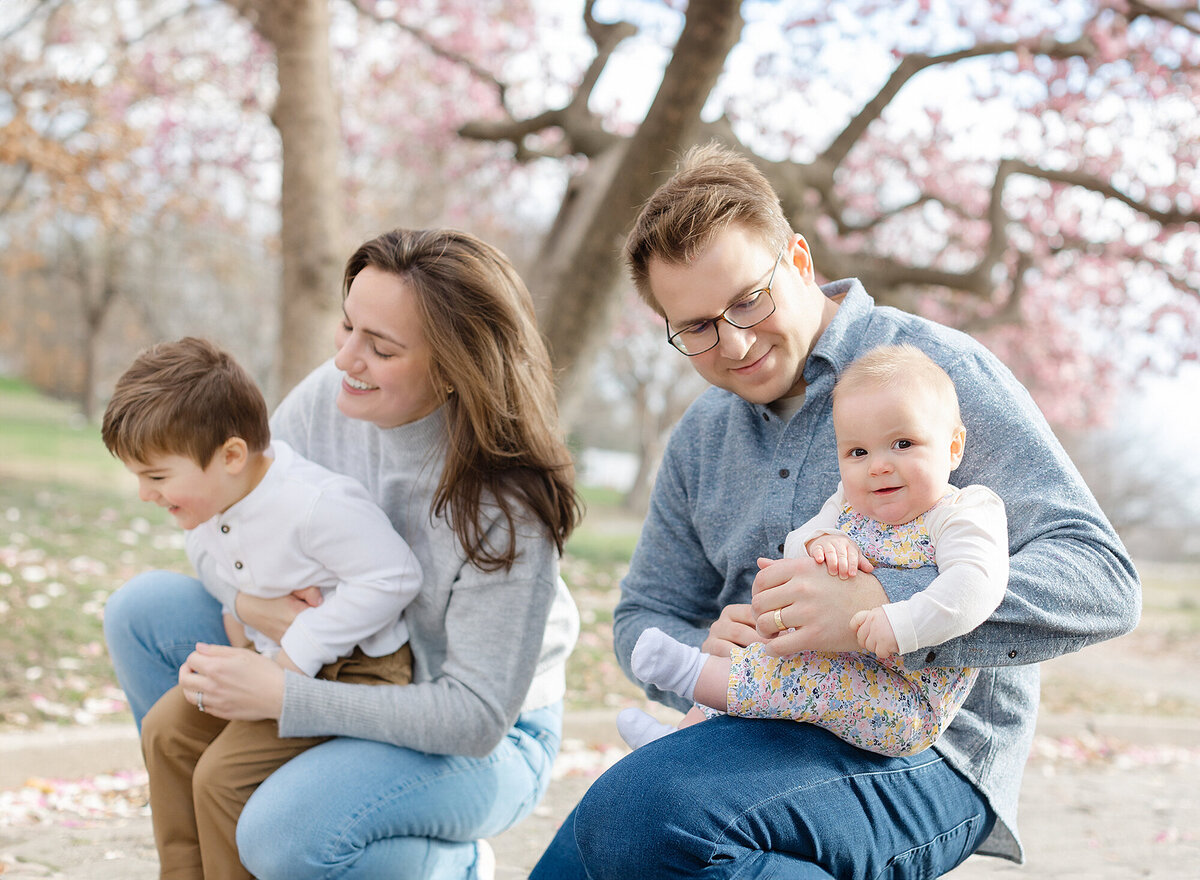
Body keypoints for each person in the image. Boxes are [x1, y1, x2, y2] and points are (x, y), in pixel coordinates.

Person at [531, 144, 1140, 879]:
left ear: (798, 256)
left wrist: (884, 605)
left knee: (641, 816)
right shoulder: (700, 436)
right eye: (695, 328)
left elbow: (1102, 580)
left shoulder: (935, 373)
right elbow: (645, 615)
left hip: (926, 748)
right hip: (761, 722)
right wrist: (704, 645)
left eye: (748, 299)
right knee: (585, 858)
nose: (735, 343)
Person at [103, 228, 583, 880]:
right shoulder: (329, 398)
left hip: (478, 741)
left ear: (451, 366)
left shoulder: (505, 507)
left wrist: (283, 693)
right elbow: (228, 509)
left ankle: (441, 864)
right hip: (334, 655)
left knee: (281, 832)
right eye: (348, 326)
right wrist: (251, 605)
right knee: (142, 611)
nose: (347, 358)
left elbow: (473, 718)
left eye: (381, 347)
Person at [101, 336, 423, 879]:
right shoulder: (209, 504)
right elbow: (209, 562)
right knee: (167, 733)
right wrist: (245, 607)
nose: (144, 493)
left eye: (156, 477)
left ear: (230, 456)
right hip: (273, 658)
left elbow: (394, 576)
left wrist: (298, 649)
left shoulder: (314, 504)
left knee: (222, 778)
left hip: (357, 673)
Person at [618, 343, 1008, 759]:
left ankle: (689, 676)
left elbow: (976, 586)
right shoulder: (846, 504)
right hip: (839, 665)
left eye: (903, 443)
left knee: (798, 674)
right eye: (858, 452)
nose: (878, 465)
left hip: (905, 699)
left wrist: (899, 622)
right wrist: (823, 542)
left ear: (953, 447)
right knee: (770, 655)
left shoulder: (959, 512)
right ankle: (679, 739)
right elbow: (797, 543)